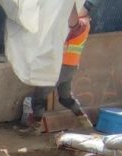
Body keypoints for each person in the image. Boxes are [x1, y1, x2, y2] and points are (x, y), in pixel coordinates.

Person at [29, 1, 93, 131]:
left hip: (62, 66)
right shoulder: (84, 23)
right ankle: (84, 120)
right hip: (70, 66)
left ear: (85, 10)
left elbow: (73, 24)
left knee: (39, 94)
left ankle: (34, 127)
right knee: (65, 98)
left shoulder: (82, 24)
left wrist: (70, 4)